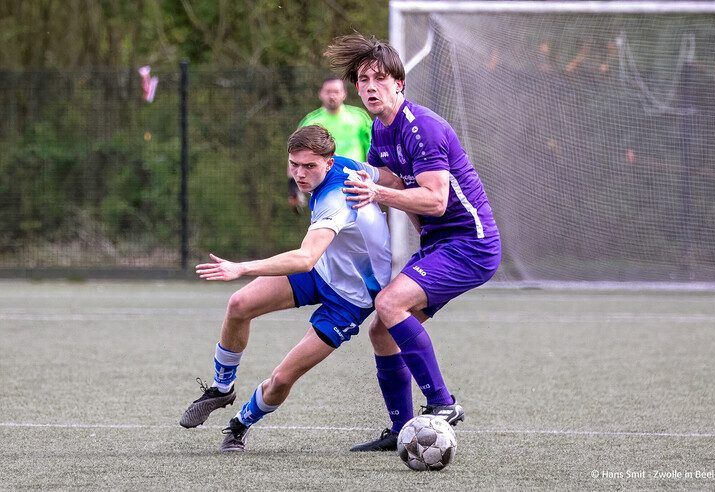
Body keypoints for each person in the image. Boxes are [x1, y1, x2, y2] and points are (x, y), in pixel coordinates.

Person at [324, 33, 502, 451]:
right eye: (362, 79)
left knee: (389, 304)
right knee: (382, 331)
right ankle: (403, 429)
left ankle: (443, 404)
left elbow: (436, 200)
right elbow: (386, 178)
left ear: (399, 84)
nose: (369, 87)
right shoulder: (379, 129)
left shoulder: (422, 127)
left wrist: (379, 194)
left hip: (470, 243)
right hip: (441, 243)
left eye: (379, 79)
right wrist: (350, 174)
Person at [179, 125, 398, 452]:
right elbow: (391, 179)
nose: (299, 173)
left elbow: (306, 257)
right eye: (294, 164)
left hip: (351, 300)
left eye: (309, 166)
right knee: (239, 305)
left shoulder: (337, 197)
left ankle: (240, 424)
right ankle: (221, 388)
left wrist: (240, 267)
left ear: (328, 162)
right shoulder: (348, 165)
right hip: (326, 270)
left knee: (282, 379)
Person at [288, 77, 373, 213]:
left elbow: (372, 149)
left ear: (344, 93)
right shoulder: (311, 120)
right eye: (328, 92)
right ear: (320, 93)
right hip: (325, 187)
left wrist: (373, 176)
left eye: (336, 91)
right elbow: (295, 154)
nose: (332, 96)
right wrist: (293, 188)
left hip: (357, 185)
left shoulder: (359, 117)